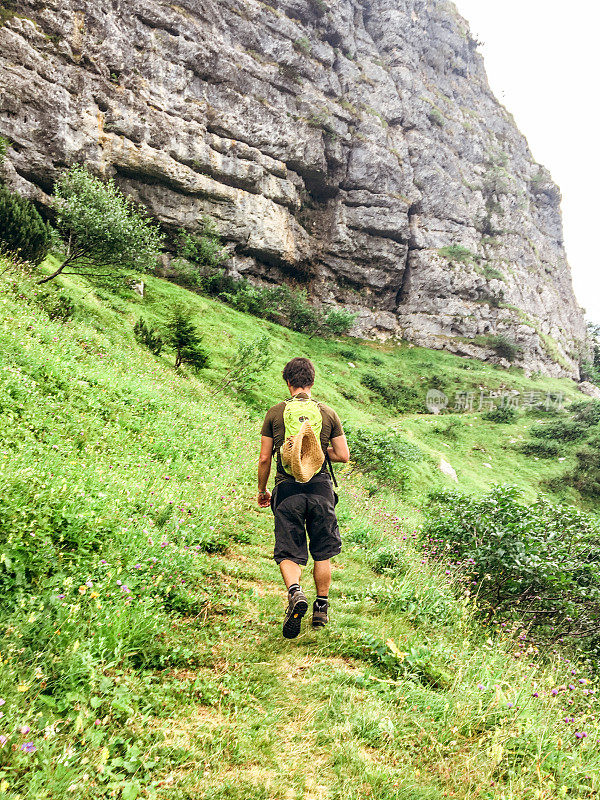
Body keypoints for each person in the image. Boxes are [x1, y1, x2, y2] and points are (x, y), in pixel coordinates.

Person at [257, 357, 350, 639]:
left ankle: (295, 593)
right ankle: (321, 609)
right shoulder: (328, 413)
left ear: (288, 381)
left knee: (288, 551)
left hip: (287, 491)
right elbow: (343, 456)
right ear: (312, 381)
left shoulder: (275, 413)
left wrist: (262, 491)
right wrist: (317, 452)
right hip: (320, 490)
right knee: (322, 550)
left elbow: (264, 458)